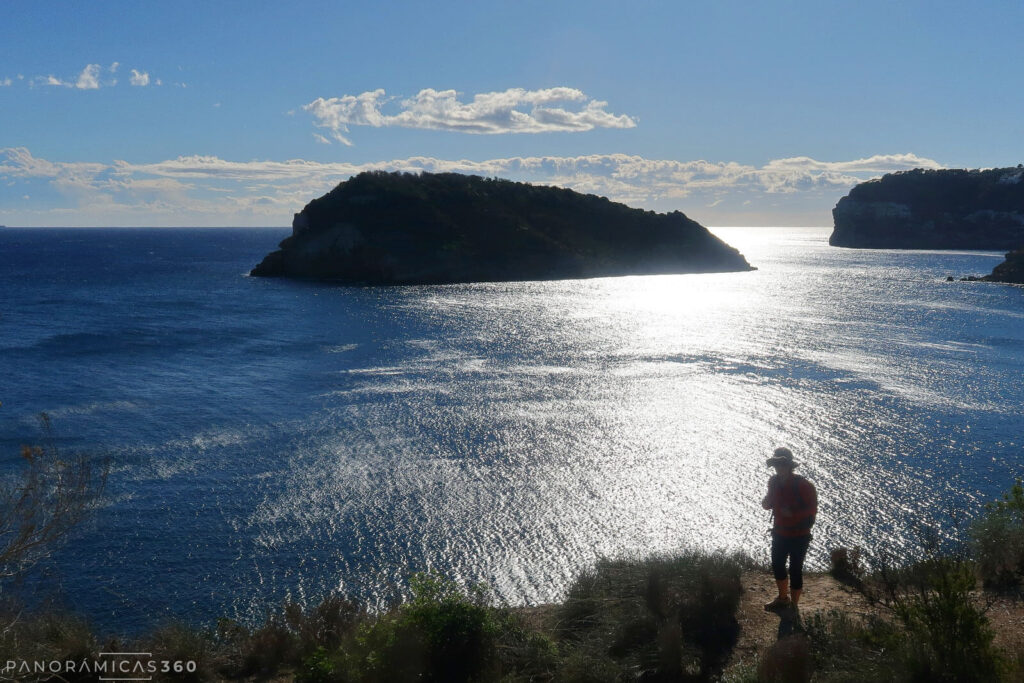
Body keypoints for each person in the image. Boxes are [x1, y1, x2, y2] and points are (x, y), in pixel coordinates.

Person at [761, 446, 817, 611]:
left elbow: (812, 509)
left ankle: (794, 606)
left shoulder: (804, 485)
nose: (779, 468)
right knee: (777, 565)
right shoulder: (773, 482)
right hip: (780, 532)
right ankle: (783, 598)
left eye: (782, 464)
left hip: (799, 535)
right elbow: (769, 502)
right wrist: (766, 503)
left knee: (795, 570)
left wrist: (792, 513)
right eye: (776, 464)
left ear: (789, 466)